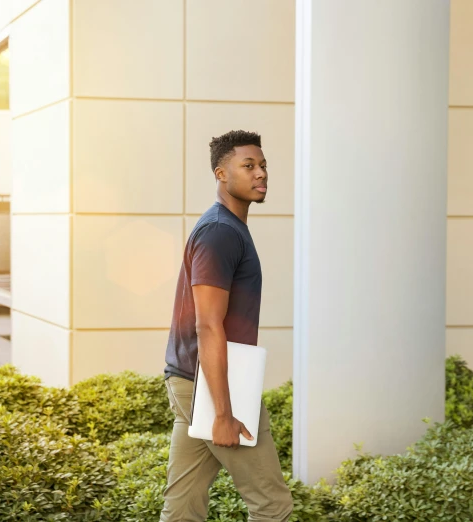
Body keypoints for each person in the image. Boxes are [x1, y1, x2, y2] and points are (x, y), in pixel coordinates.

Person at [160, 130, 293, 522]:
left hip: (192, 380)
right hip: (213, 384)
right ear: (221, 173)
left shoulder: (228, 228)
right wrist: (223, 412)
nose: (261, 173)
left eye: (263, 165)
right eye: (248, 166)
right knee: (272, 506)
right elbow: (207, 325)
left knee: (183, 507)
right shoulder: (220, 232)